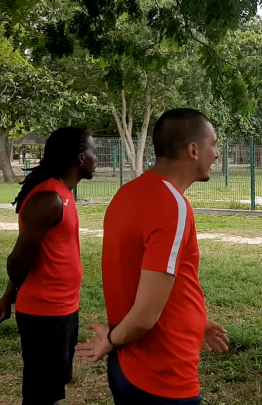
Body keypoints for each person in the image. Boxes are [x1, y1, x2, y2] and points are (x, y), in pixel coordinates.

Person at [75, 109, 230, 404]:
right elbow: (145, 316)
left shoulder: (126, 194)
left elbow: (148, 282)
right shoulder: (172, 205)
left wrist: (194, 322)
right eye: (213, 144)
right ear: (193, 150)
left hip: (128, 368)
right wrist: (110, 340)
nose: (217, 154)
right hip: (161, 374)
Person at [0, 127, 96, 405]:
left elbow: (33, 254)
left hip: (63, 308)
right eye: (93, 152)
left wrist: (7, 296)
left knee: (54, 383)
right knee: (42, 392)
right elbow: (18, 260)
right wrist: (11, 295)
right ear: (79, 158)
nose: (96, 158)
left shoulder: (62, 193)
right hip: (44, 314)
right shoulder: (49, 198)